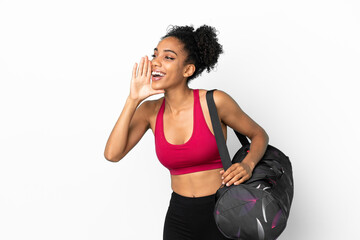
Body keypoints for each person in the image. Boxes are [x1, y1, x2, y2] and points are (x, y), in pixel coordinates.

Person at [104, 24, 269, 240]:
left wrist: (247, 164)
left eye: (168, 57)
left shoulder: (215, 101)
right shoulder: (150, 111)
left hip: (224, 211)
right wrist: (132, 99)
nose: (156, 62)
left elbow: (259, 134)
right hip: (179, 216)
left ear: (187, 70)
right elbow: (112, 154)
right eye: (155, 55)